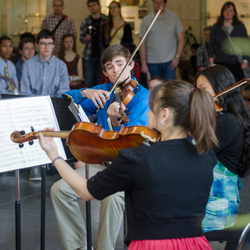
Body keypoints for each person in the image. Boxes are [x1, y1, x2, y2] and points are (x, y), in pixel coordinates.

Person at [39, 79, 219, 250]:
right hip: (195, 244)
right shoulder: (207, 157)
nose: (148, 113)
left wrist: (53, 154)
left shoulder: (139, 158)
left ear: (164, 114)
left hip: (152, 245)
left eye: (152, 108)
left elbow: (85, 191)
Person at [50, 45, 150, 250]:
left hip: (128, 168)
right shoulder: (104, 92)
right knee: (59, 190)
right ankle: (77, 246)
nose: (116, 70)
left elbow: (130, 141)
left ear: (131, 65)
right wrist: (85, 92)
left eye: (120, 64)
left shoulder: (142, 97)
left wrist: (114, 122)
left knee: (113, 198)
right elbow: (64, 101)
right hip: (102, 163)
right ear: (105, 72)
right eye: (110, 67)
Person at [196, 65, 250, 236]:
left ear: (220, 89)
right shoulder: (219, 119)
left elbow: (194, 156)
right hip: (205, 202)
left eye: (203, 89)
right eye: (197, 89)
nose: (198, 94)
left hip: (214, 209)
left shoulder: (227, 122)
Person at [20, 29, 70, 181]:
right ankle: (36, 164)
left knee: (57, 114)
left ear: (54, 45)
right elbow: (25, 93)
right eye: (43, 43)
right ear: (37, 45)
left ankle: (53, 160)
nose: (46, 47)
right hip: (33, 107)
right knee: (31, 117)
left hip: (53, 107)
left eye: (49, 44)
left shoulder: (61, 66)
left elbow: (63, 92)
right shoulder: (28, 65)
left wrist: (47, 107)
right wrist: (37, 107)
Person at [139, 0, 184, 81]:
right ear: (153, 3)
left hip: (170, 62)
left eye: (161, 2)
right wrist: (143, 64)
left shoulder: (173, 17)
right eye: (156, 2)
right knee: (155, 90)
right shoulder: (146, 20)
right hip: (152, 61)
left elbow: (181, 39)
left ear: (165, 4)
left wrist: (177, 57)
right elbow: (141, 44)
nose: (158, 4)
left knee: (169, 90)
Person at [208, 1, 248, 82]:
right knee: (222, 86)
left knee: (236, 86)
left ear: (234, 13)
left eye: (230, 10)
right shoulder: (216, 27)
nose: (228, 13)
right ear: (222, 12)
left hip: (237, 62)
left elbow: (246, 43)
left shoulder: (240, 26)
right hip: (221, 62)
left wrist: (245, 60)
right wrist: (211, 61)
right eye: (226, 10)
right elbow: (211, 44)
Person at [80, 0, 107, 88]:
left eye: (94, 5)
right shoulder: (85, 21)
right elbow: (81, 38)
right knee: (88, 81)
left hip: (102, 55)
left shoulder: (105, 20)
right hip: (89, 56)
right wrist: (86, 39)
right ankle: (86, 101)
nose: (93, 7)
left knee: (100, 82)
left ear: (98, 6)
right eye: (90, 6)